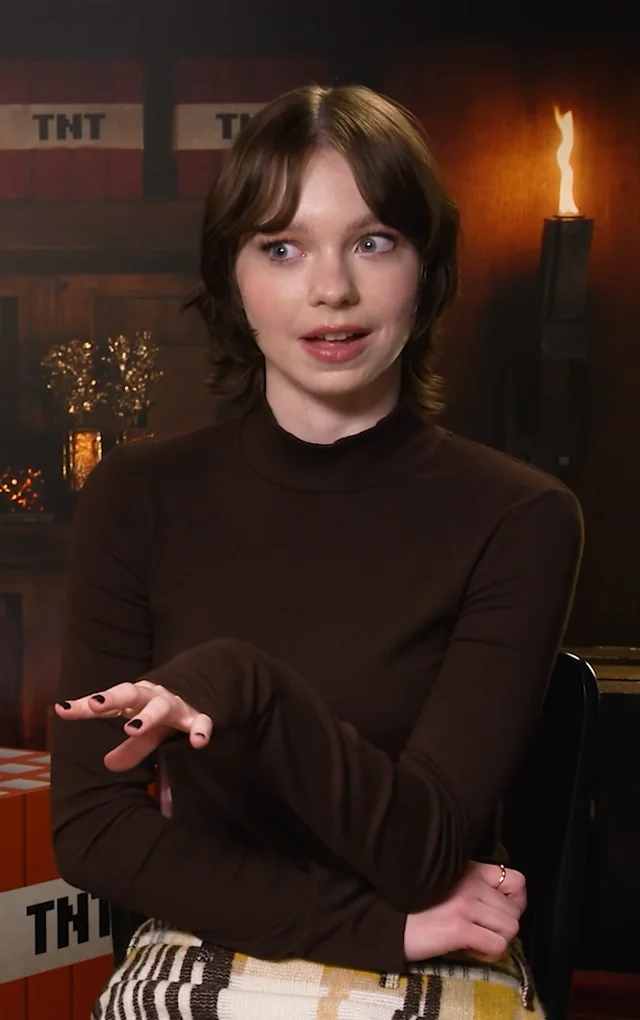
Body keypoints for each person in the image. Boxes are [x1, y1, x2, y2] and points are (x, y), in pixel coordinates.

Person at [51, 83, 583, 1020]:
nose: (331, 289)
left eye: (373, 242)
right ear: (232, 279)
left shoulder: (523, 517)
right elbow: (94, 831)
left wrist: (242, 686)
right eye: (282, 247)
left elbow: (425, 853)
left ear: (428, 269)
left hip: (443, 947)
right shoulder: (135, 496)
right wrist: (378, 926)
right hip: (268, 932)